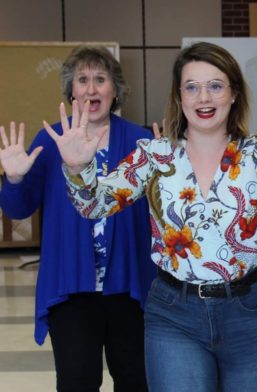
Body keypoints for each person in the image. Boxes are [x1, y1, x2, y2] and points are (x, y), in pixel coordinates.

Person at [47, 42, 257, 391]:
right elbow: (93, 206)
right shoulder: (155, 155)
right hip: (175, 313)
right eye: (192, 87)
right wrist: (78, 168)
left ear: (233, 94)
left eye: (215, 86)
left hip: (251, 312)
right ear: (179, 96)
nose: (204, 98)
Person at [0, 46, 154, 391]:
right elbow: (18, 209)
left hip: (130, 287)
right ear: (71, 90)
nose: (91, 89)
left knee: (137, 382)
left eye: (101, 79)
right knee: (76, 383)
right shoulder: (51, 140)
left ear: (115, 90)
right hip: (70, 288)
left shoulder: (140, 140)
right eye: (82, 80)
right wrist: (14, 179)